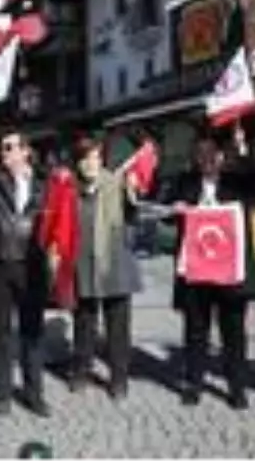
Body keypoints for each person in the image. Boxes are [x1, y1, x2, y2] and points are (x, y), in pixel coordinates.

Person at [167, 124, 255, 409]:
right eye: (201, 152)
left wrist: (244, 148)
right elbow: (165, 211)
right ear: (195, 155)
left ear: (223, 155)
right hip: (196, 272)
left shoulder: (238, 180)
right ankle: (194, 384)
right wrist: (174, 208)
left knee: (233, 331)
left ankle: (237, 387)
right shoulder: (185, 181)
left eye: (213, 152)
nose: (207, 157)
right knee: (195, 331)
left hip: (230, 273)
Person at [0, 127, 50, 417]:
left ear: (25, 151)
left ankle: (34, 394)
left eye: (10, 147)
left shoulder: (45, 184)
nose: (5, 152)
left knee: (32, 333)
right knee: (0, 333)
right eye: (2, 147)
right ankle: (2, 392)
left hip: (32, 265)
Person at [69, 136, 142, 401]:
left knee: (118, 325)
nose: (91, 163)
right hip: (83, 262)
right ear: (77, 162)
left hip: (115, 262)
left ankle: (119, 378)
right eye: (85, 158)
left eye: (96, 158)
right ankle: (81, 370)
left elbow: (133, 218)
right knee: (84, 322)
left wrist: (132, 194)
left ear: (103, 161)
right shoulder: (70, 189)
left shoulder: (116, 184)